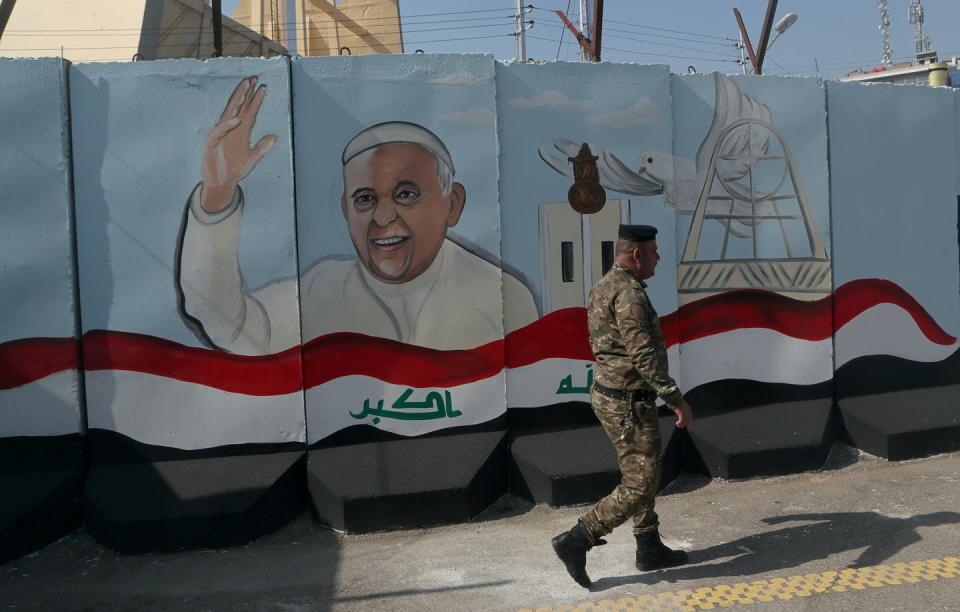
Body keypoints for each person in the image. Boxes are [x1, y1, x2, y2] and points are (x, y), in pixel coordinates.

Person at [178, 76, 538, 355]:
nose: (383, 218)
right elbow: (227, 321)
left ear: (452, 204)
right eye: (364, 199)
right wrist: (217, 194)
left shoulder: (505, 299)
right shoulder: (321, 292)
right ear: (346, 211)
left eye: (406, 194)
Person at [551, 224, 694, 588]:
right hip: (628, 403)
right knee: (642, 483)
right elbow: (643, 354)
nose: (658, 258)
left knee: (639, 471)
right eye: (654, 252)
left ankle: (648, 546)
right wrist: (676, 399)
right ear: (637, 255)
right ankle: (578, 538)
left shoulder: (605, 285)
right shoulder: (629, 295)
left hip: (614, 395)